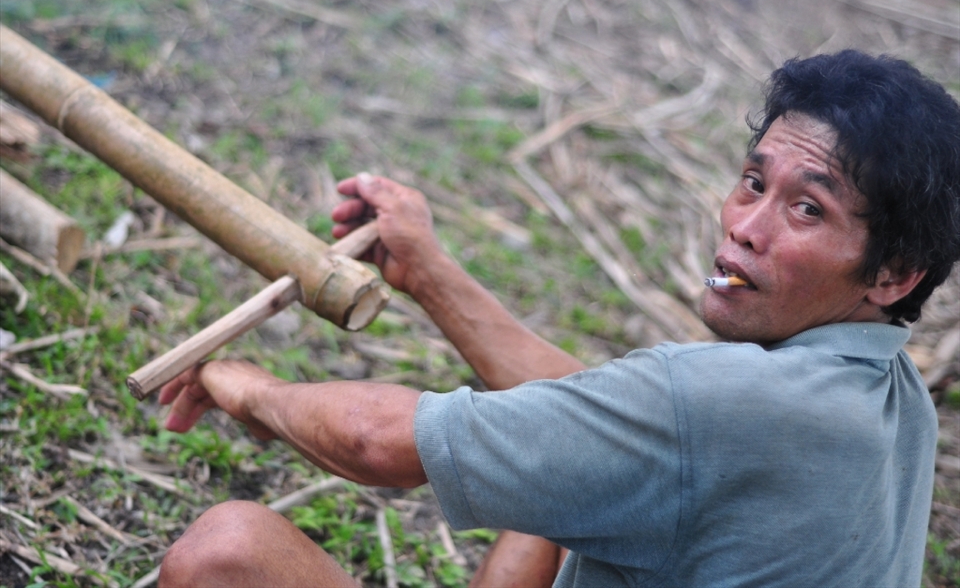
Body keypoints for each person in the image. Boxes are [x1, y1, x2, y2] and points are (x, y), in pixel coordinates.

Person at [157, 50, 960, 587]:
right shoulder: (893, 396)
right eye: (753, 181)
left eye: (807, 208)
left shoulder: (729, 401)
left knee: (226, 551)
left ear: (894, 273)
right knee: (571, 467)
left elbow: (379, 440)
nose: (747, 225)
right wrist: (430, 276)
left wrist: (247, 387)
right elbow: (603, 414)